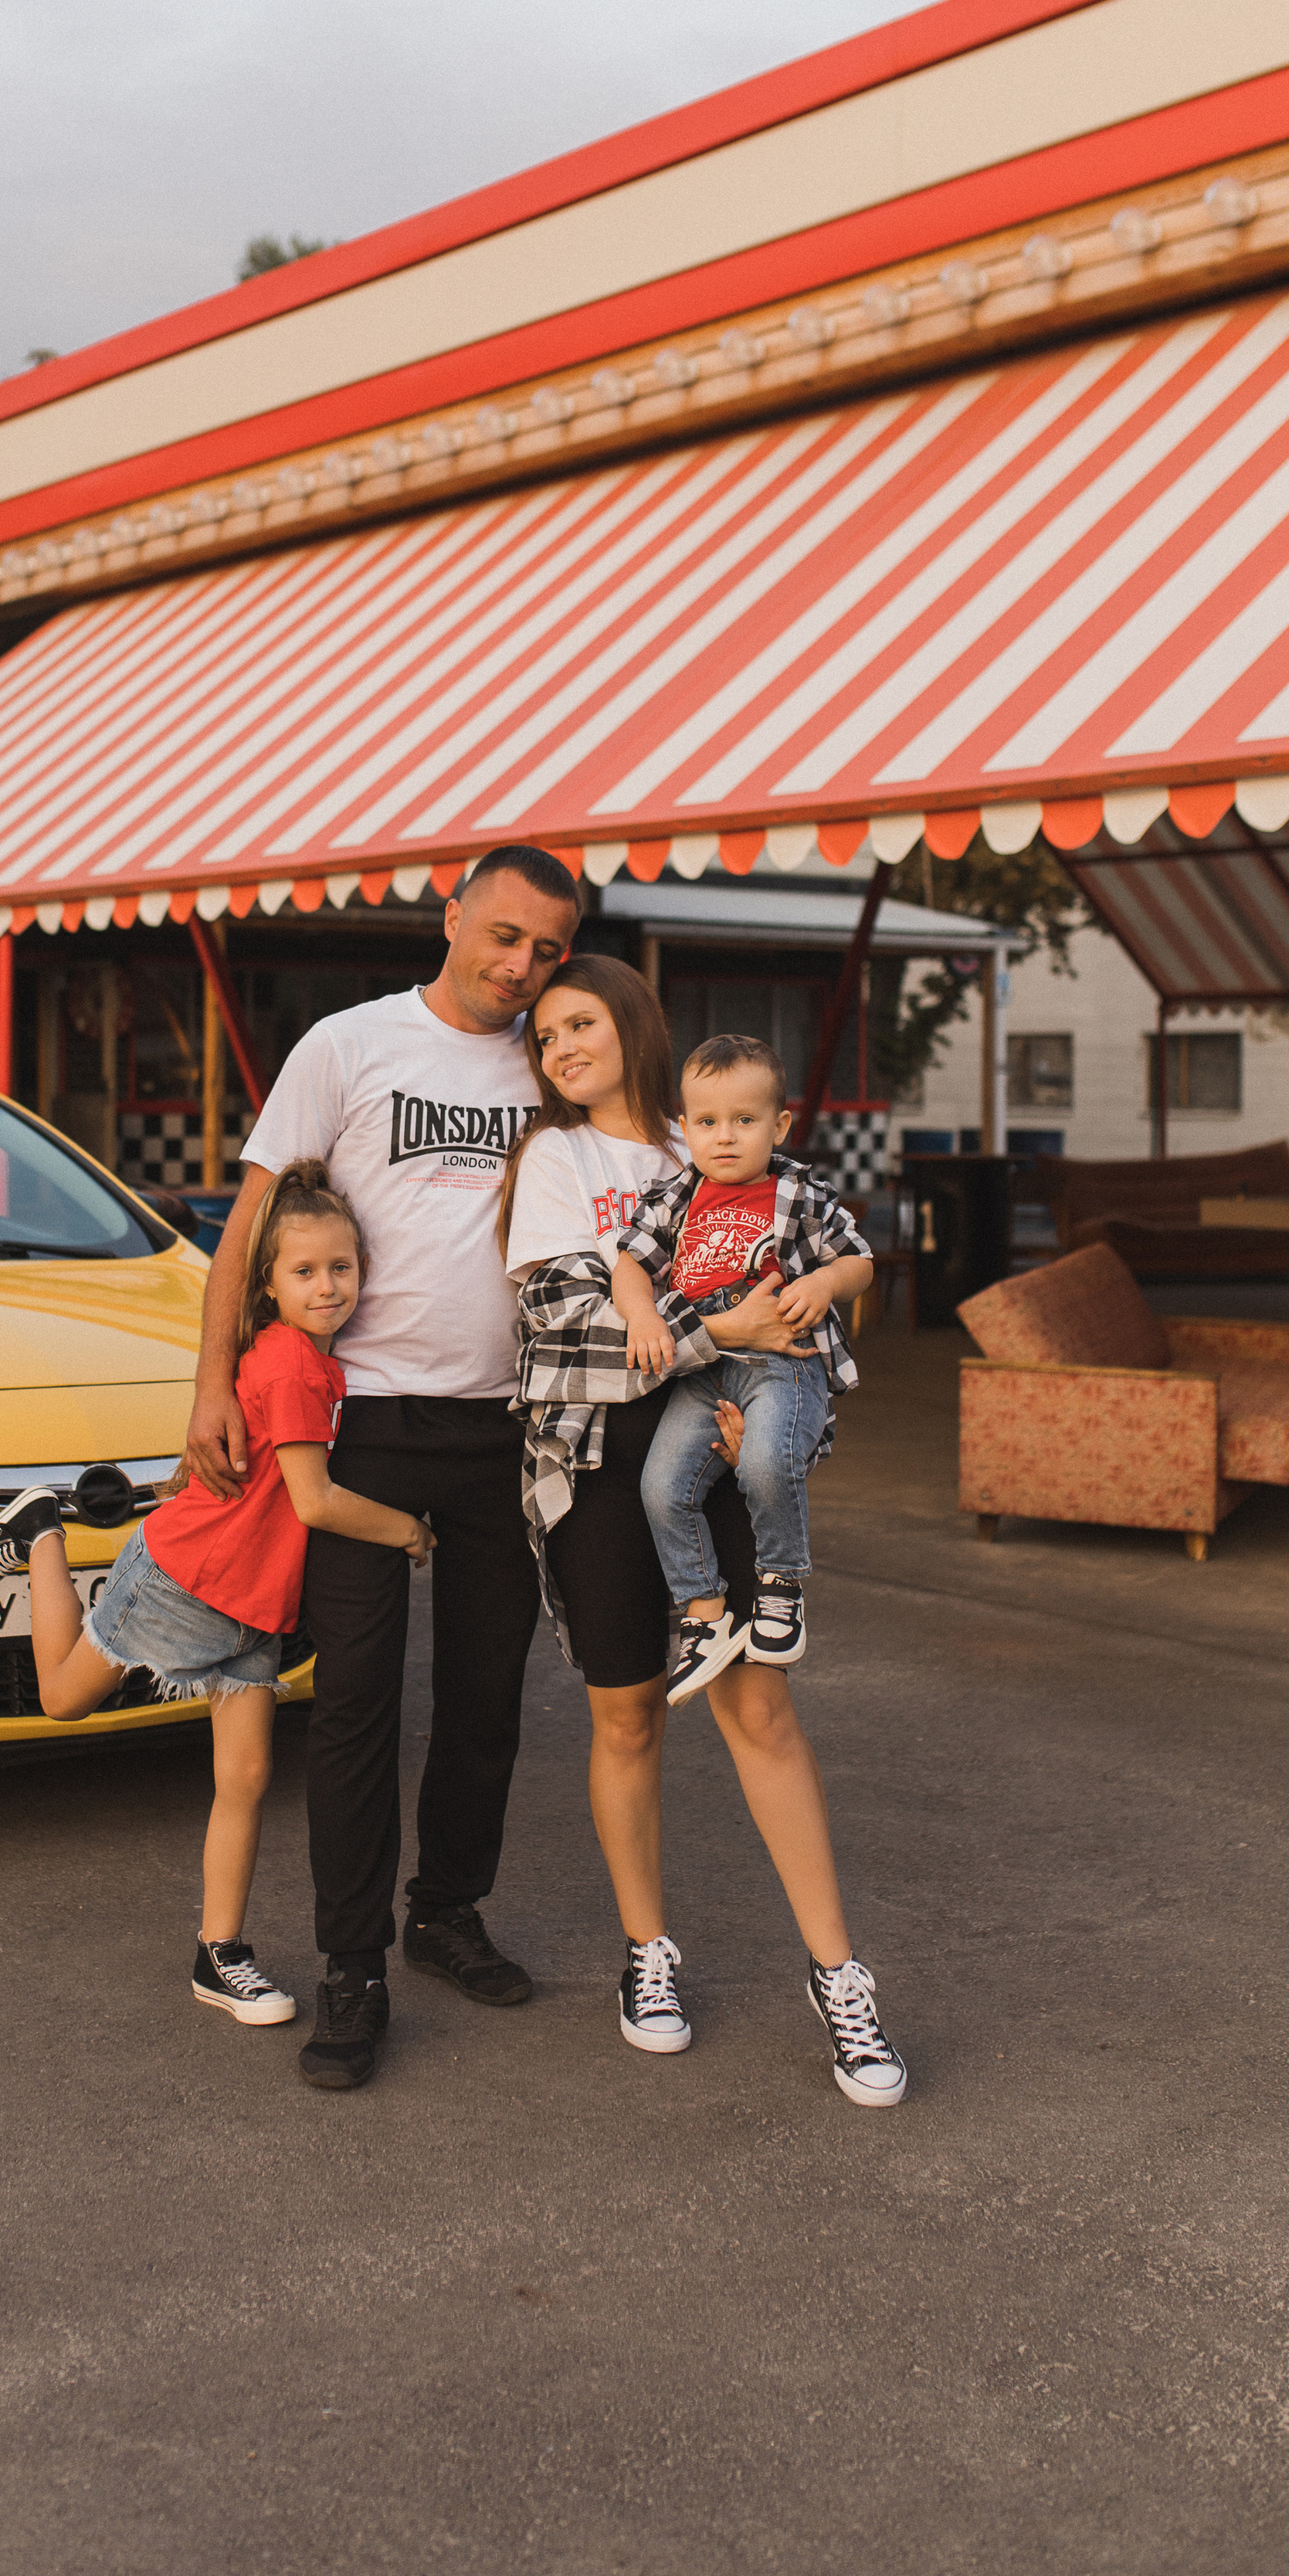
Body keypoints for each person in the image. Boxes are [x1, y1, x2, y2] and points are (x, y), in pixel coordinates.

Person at [183, 846, 583, 2093]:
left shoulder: (557, 1059)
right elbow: (251, 1219)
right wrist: (211, 1380)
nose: (521, 966)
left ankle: (446, 1914)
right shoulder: (349, 1046)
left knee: (484, 1700)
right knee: (355, 1712)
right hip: (362, 1428)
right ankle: (350, 1965)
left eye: (548, 950)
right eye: (504, 934)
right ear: (451, 916)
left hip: (505, 1426)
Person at [507, 963, 907, 2105]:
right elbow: (561, 1330)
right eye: (545, 1039)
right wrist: (719, 1326)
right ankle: (647, 1955)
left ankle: (841, 1978)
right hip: (594, 1468)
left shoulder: (747, 1157)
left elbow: (807, 1325)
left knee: (763, 1710)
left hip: (721, 1454)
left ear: (635, 1028)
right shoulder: (557, 1162)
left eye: (581, 1024)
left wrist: (776, 1377)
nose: (563, 1050)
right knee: (628, 1715)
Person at [0, 1163, 432, 2032]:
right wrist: (409, 1530)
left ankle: (221, 1953)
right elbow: (317, 1499)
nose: (328, 1287)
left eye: (342, 1269)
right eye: (305, 1272)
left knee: (245, 1777)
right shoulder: (291, 1362)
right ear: (266, 1284)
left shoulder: (316, 1359)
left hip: (252, 1602)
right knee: (62, 1698)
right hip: (185, 1580)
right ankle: (42, 1537)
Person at [612, 1032, 875, 1705]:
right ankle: (704, 1615)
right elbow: (630, 1265)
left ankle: (781, 1588)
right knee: (661, 1486)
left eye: (744, 1120)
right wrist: (643, 1316)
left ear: (779, 1124)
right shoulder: (675, 1196)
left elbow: (859, 1259)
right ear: (685, 1127)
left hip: (782, 1365)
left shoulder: (799, 1193)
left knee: (764, 1463)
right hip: (702, 1374)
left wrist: (824, 1285)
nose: (724, 1137)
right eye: (706, 1122)